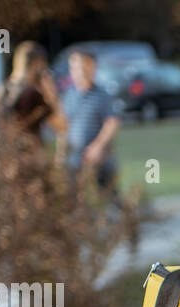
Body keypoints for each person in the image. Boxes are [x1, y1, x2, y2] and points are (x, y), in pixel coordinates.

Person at [61, 50, 122, 200]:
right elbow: (64, 125)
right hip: (75, 159)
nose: (78, 72)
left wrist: (98, 146)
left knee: (109, 199)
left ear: (92, 67)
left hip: (100, 160)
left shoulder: (103, 95)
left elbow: (112, 122)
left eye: (83, 67)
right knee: (73, 200)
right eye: (74, 67)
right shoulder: (69, 95)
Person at [0, 41, 65, 145]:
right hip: (26, 154)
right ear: (37, 64)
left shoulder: (1, 89)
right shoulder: (33, 94)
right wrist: (51, 93)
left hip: (1, 153)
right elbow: (61, 126)